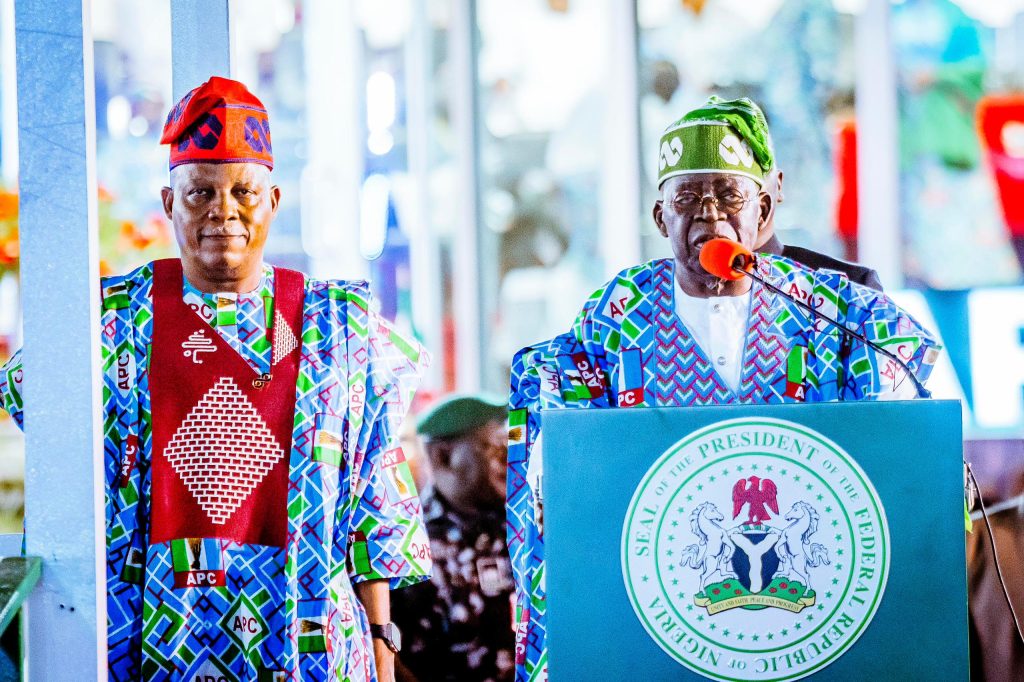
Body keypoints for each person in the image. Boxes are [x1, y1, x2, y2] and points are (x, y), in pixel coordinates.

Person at [0, 77, 431, 681]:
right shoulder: (109, 322)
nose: (222, 211)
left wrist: (383, 641)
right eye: (199, 192)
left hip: (307, 642)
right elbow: (40, 422)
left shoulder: (342, 326)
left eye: (243, 192)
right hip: (148, 640)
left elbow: (374, 495)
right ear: (169, 203)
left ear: (274, 201)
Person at [506, 97, 941, 682]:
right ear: (661, 219)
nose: (709, 215)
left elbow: (903, 372)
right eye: (687, 199)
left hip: (806, 619)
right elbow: (560, 431)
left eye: (729, 196)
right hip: (661, 612)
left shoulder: (827, 307)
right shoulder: (617, 312)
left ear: (762, 211)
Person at [392, 394, 515, 682]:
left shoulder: (520, 525)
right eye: (491, 446)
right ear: (444, 457)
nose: (507, 457)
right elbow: (390, 658)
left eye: (507, 444)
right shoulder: (406, 542)